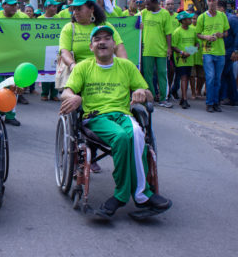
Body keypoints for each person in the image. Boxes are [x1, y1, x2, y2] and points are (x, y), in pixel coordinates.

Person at [60, 25, 172, 218]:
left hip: (122, 115)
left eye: (106, 38)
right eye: (97, 40)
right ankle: (128, 194)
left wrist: (141, 92)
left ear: (114, 44)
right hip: (95, 117)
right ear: (91, 46)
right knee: (121, 137)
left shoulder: (126, 66)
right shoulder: (83, 67)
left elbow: (149, 95)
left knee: (137, 134)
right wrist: (74, 97)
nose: (102, 42)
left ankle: (139, 194)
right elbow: (66, 92)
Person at [59, 0, 128, 173]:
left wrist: (126, 68)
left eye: (79, 9)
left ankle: (96, 151)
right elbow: (64, 51)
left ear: (91, 8)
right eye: (73, 9)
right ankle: (78, 156)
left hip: (105, 73)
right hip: (80, 74)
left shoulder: (104, 27)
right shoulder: (70, 28)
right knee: (80, 111)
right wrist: (73, 65)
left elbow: (119, 48)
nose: (75, 12)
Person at [0, 0, 28, 122]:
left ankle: (10, 115)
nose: (13, 7)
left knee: (13, 86)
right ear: (3, 5)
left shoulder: (23, 17)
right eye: (10, 4)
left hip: (15, 56)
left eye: (15, 4)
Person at [196, 0, 230, 112]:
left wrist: (221, 35)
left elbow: (226, 32)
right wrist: (206, 36)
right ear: (207, 2)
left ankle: (216, 102)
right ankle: (209, 103)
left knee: (217, 79)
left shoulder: (222, 16)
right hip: (207, 51)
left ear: (217, 2)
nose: (211, 2)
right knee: (210, 77)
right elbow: (197, 34)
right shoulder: (202, 17)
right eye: (209, 0)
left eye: (213, 0)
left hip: (220, 52)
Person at [141, 0, 174, 108]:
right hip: (147, 50)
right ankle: (151, 97)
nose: (146, 6)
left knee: (162, 74)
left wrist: (169, 48)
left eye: (148, 4)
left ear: (155, 3)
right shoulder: (144, 13)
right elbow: (133, 21)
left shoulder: (164, 14)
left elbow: (168, 32)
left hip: (161, 50)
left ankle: (163, 99)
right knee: (148, 75)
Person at [171, 12, 199, 109]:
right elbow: (173, 46)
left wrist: (190, 52)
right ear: (183, 21)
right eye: (188, 19)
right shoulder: (177, 32)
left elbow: (197, 43)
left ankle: (183, 98)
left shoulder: (193, 30)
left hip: (190, 58)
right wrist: (182, 52)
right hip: (181, 59)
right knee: (183, 77)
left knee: (187, 77)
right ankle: (185, 99)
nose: (191, 20)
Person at [217, 0, 238, 106]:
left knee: (222, 74)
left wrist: (236, 51)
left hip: (229, 51)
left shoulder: (232, 19)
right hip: (223, 50)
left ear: (222, 9)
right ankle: (233, 98)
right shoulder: (221, 19)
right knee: (228, 75)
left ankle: (220, 97)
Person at [190, 11, 205, 99]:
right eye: (192, 19)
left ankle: (198, 90)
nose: (193, 20)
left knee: (201, 76)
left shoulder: (203, 28)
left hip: (201, 55)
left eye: (195, 18)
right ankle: (193, 92)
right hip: (191, 55)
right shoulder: (189, 28)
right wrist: (191, 51)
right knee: (192, 75)